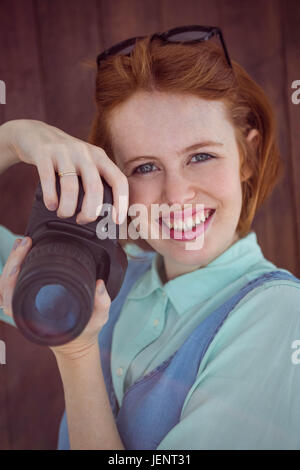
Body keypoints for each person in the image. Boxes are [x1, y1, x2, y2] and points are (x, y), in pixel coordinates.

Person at [0, 25, 300, 450]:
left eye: (201, 156)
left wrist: (77, 356)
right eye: (144, 167)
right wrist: (14, 138)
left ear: (247, 157)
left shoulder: (281, 316)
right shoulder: (98, 276)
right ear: (114, 181)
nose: (176, 196)